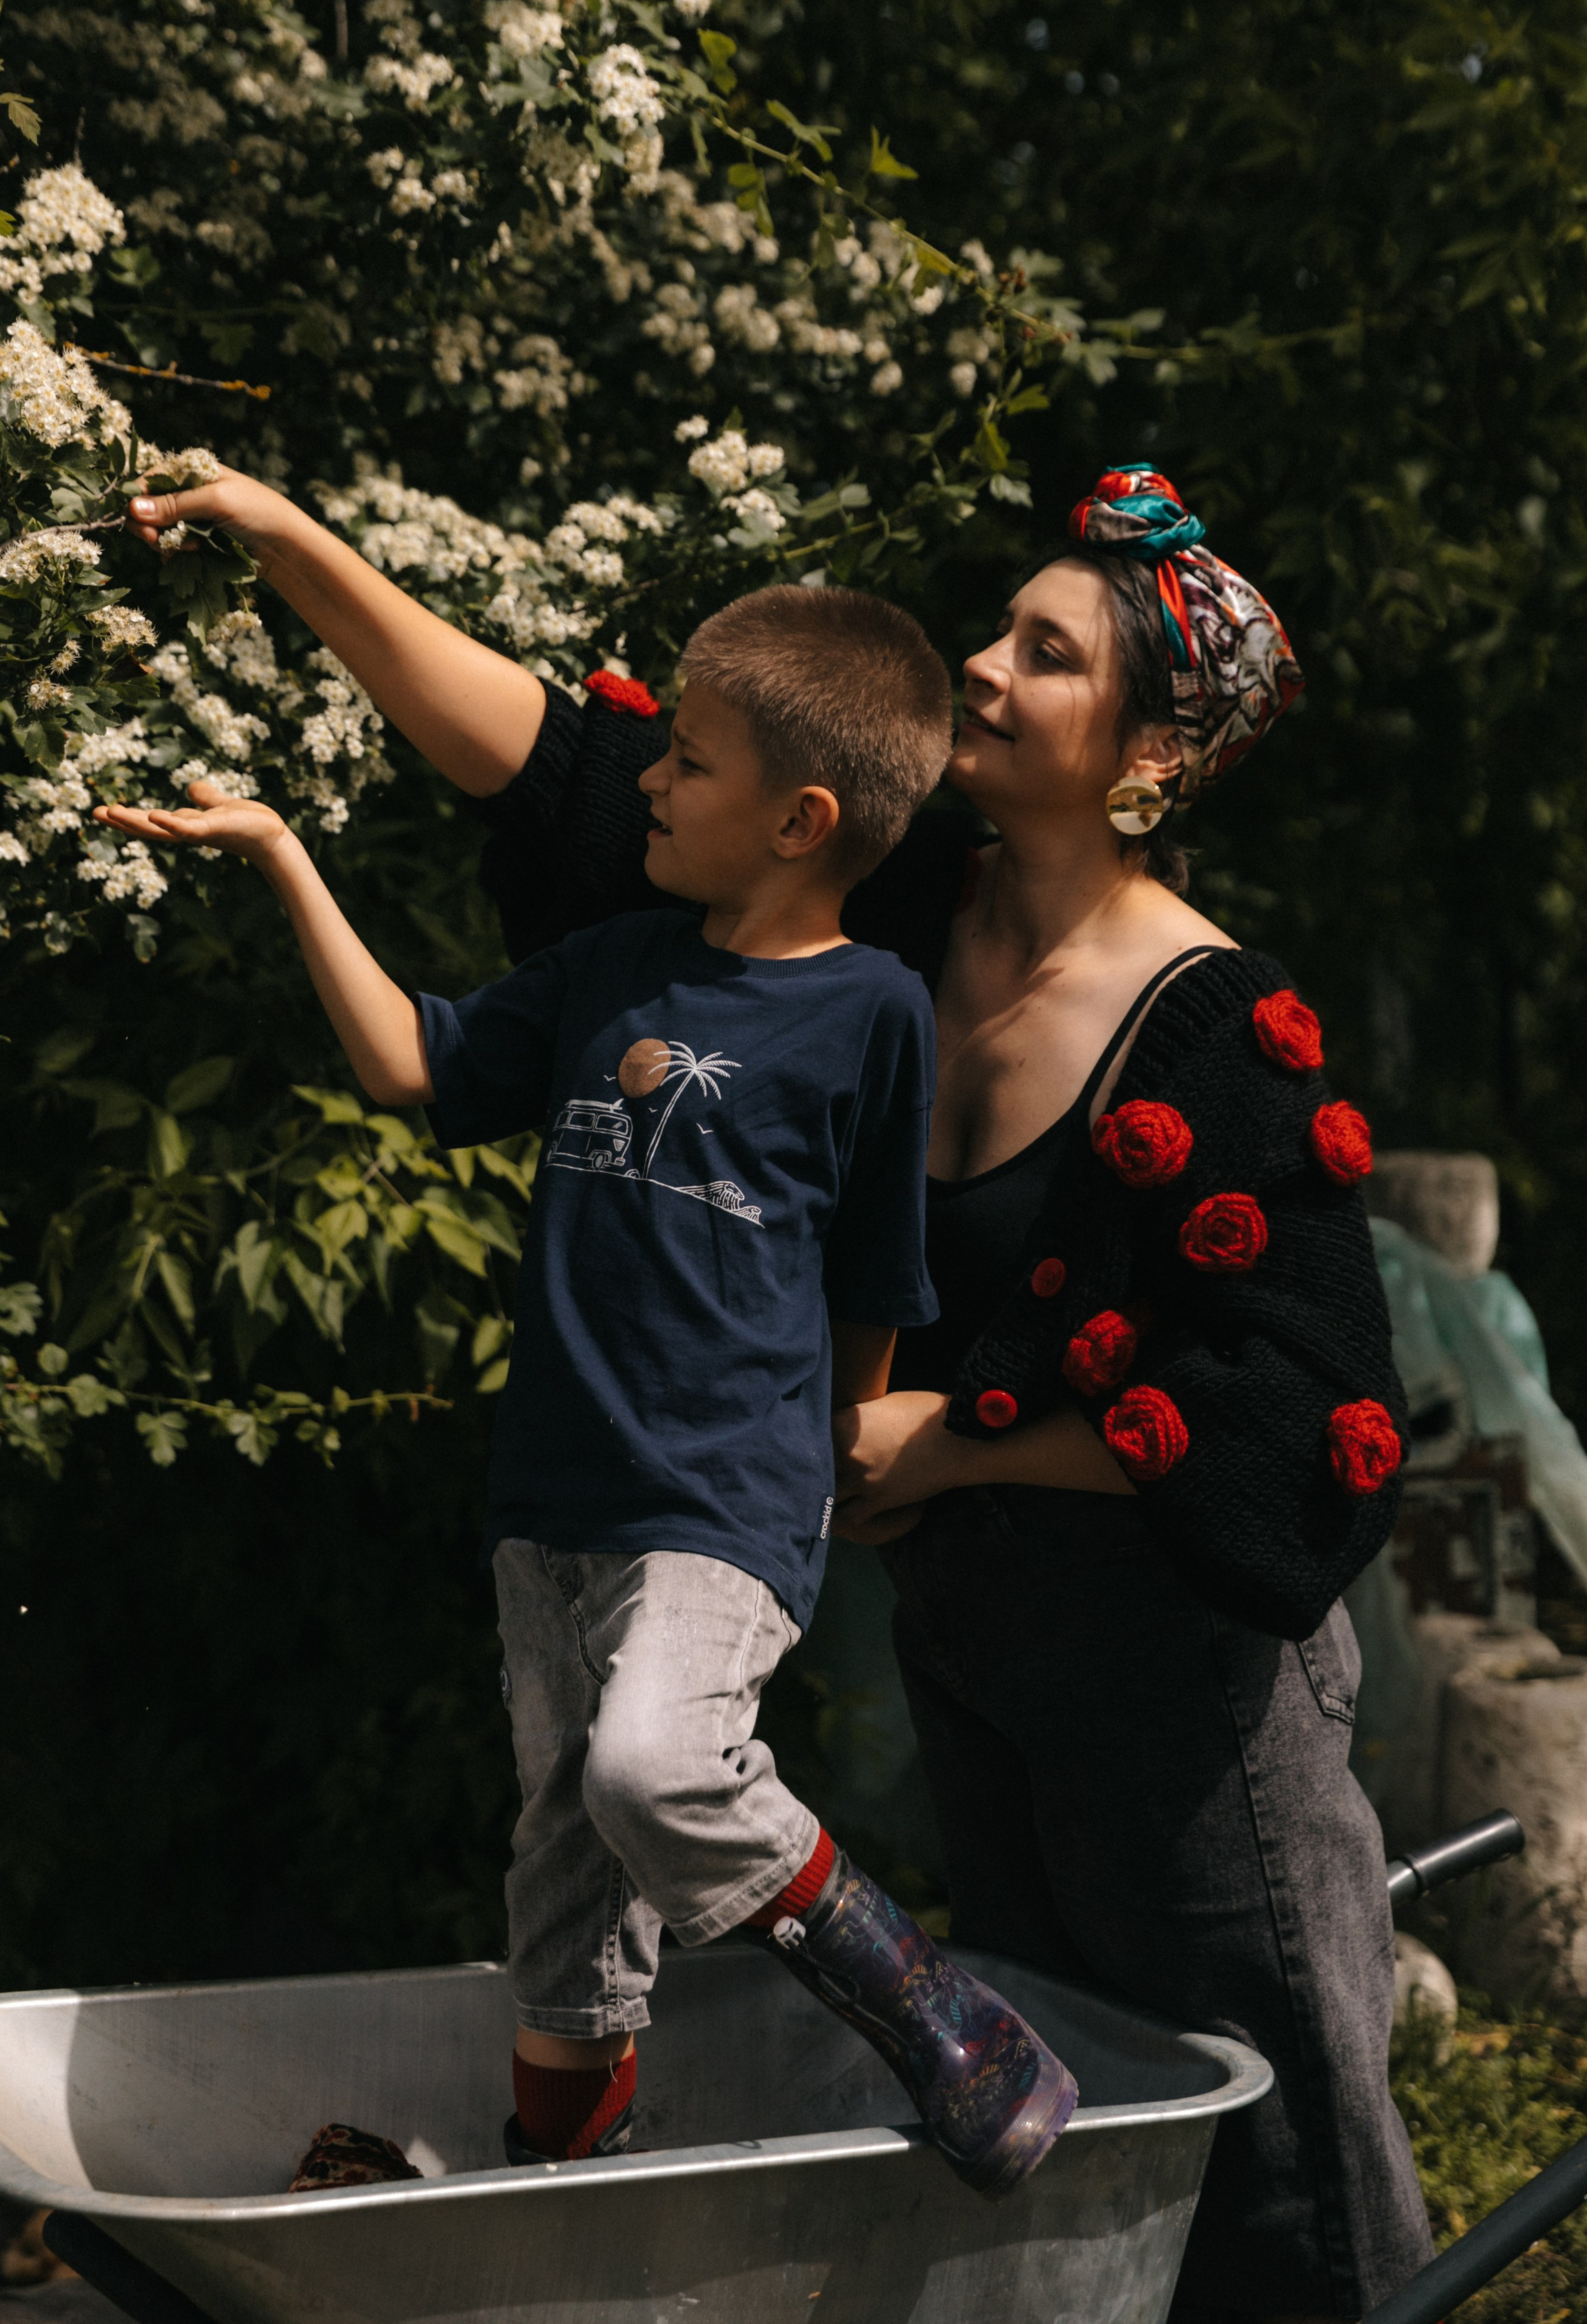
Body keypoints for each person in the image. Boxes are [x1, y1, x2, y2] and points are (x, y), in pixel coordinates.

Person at [122, 462, 1430, 2316]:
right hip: (979, 1655)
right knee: (1081, 2191)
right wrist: (293, 546)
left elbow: (1298, 1425)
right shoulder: (883, 920)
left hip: (1188, 1698)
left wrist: (955, 1440)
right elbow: (558, 767)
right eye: (999, 628)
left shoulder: (1222, 1032)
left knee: (1282, 2164)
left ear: (1147, 757)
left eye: (1042, 656)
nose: (980, 667)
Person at [94, 578, 1081, 2200]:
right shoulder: (608, 965)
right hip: (551, 1496)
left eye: (685, 762)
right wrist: (283, 856)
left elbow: (875, 1275)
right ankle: (559, 2188)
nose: (645, 780)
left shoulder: (871, 1012)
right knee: (564, 1873)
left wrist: (839, 1448)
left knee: (654, 1772)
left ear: (797, 819)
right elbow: (413, 1065)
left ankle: (939, 2013)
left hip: (723, 1497)